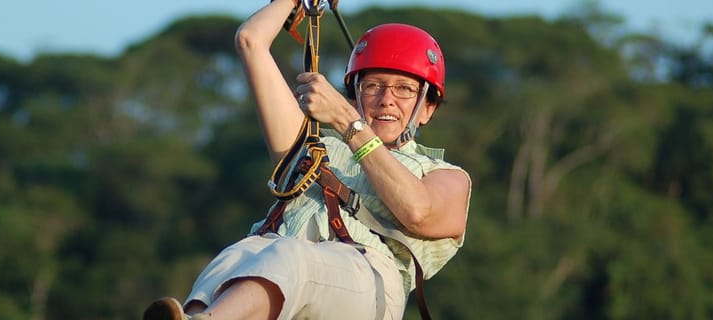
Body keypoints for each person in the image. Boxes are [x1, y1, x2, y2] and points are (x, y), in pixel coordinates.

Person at [143, 0, 471, 319]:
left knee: (290, 255)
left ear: (427, 109)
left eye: (404, 90)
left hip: (368, 281)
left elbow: (418, 211)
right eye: (373, 86)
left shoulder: (444, 175)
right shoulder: (317, 145)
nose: (386, 100)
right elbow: (250, 41)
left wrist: (347, 122)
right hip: (279, 263)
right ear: (356, 95)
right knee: (237, 256)